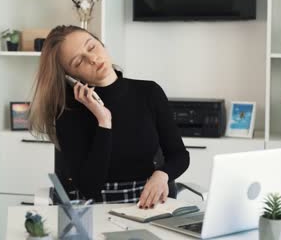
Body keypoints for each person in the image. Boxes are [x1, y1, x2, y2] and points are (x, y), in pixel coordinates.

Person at [28, 25, 189, 209]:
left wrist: (162, 174)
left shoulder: (149, 93)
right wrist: (104, 121)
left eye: (91, 47)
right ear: (70, 76)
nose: (93, 59)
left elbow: (179, 155)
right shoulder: (68, 112)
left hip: (149, 204)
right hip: (97, 209)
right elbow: (90, 188)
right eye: (79, 61)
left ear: (101, 43)